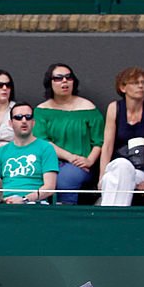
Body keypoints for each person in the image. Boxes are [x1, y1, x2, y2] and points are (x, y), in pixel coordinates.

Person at [34, 63, 103, 204]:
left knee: (65, 179)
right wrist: (70, 157)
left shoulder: (88, 108)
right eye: (58, 78)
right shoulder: (42, 110)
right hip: (49, 163)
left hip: (80, 166)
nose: (64, 81)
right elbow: (42, 140)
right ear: (50, 82)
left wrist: (89, 161)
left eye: (68, 77)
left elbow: (99, 141)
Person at [98, 67, 144, 206]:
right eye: (135, 82)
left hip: (140, 171)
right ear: (123, 87)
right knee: (117, 171)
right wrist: (101, 175)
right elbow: (107, 145)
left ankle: (108, 217)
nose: (141, 86)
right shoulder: (114, 108)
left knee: (113, 179)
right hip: (117, 167)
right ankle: (116, 218)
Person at [0, 103, 58, 204]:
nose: (24, 121)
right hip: (5, 204)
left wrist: (24, 199)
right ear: (10, 123)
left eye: (28, 117)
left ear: (33, 122)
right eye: (18, 117)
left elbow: (49, 187)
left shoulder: (46, 148)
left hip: (35, 204)